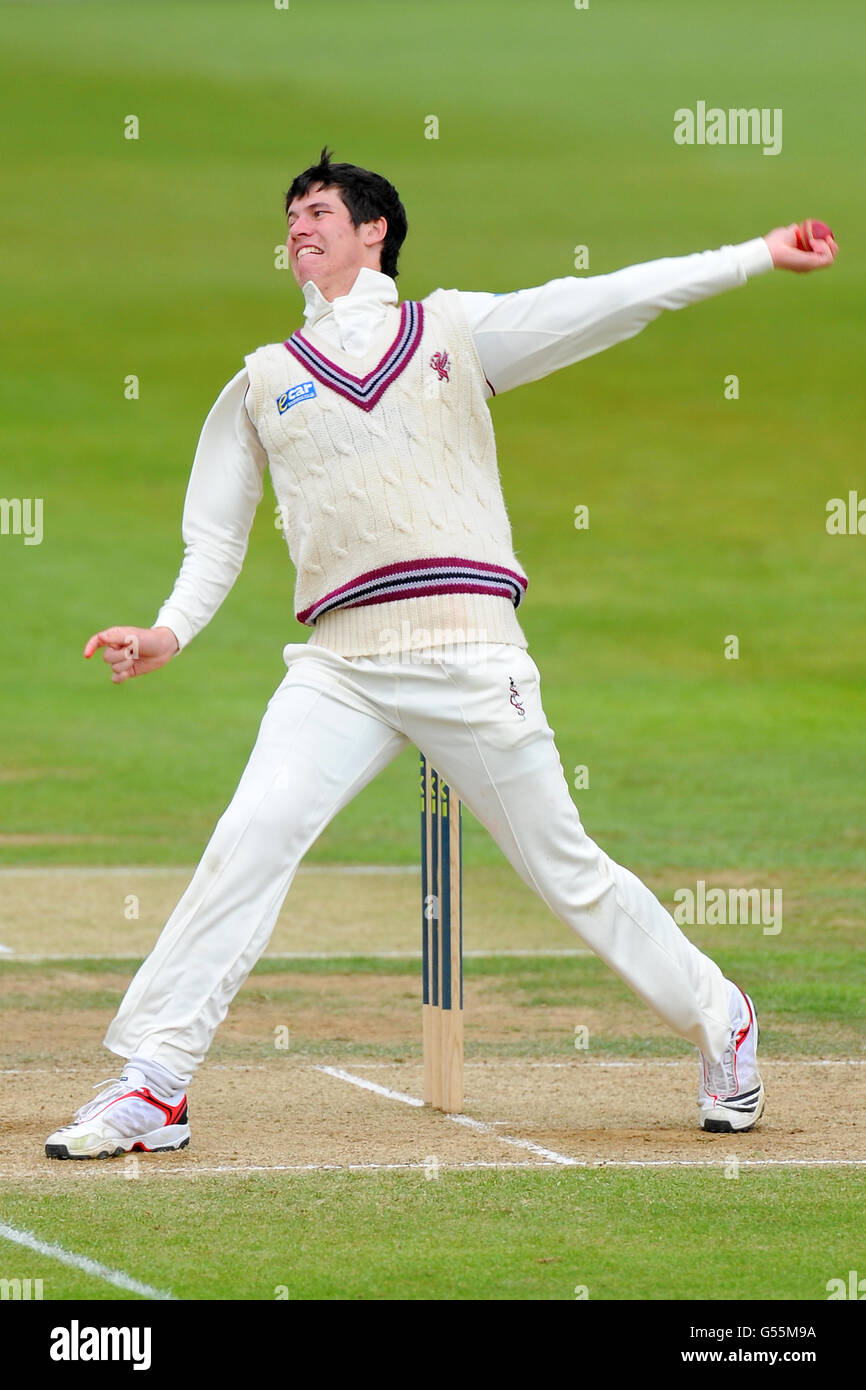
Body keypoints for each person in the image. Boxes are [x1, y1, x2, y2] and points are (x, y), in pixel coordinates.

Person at [45, 149, 837, 1159]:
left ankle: (719, 1013)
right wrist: (167, 631)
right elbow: (216, 539)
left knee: (564, 873)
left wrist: (753, 255)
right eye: (288, 214)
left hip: (468, 649)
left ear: (374, 231)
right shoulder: (264, 378)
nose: (297, 224)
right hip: (340, 665)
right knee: (250, 835)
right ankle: (155, 1081)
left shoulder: (453, 330)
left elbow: (608, 299)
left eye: (319, 209)